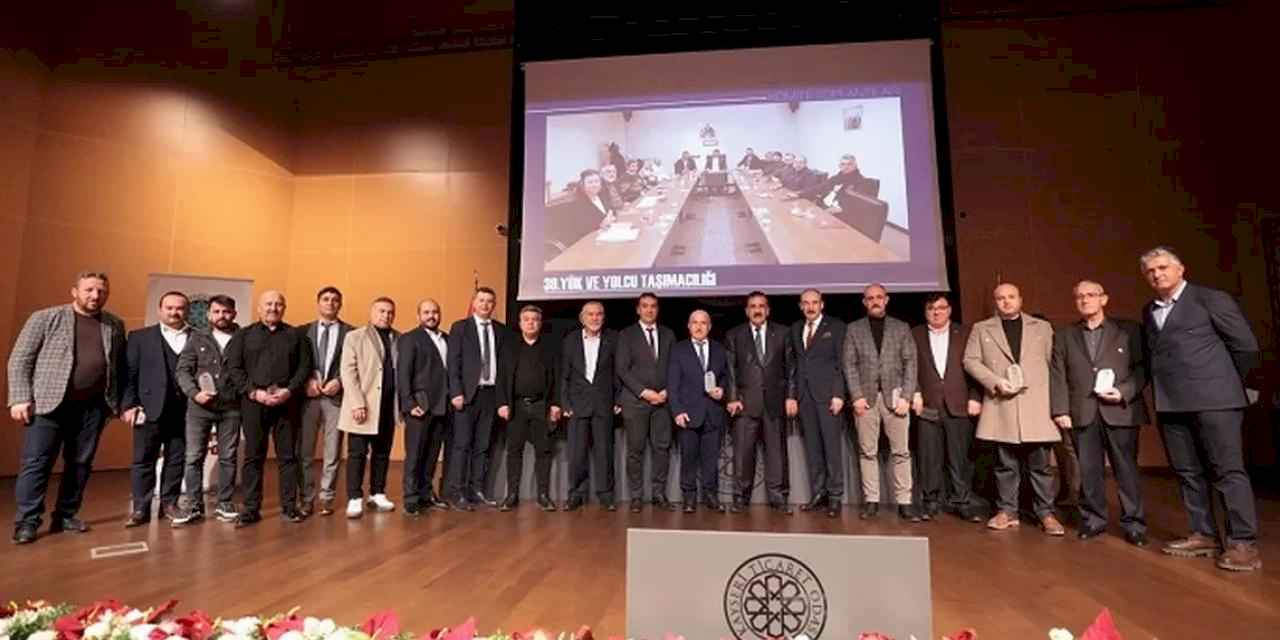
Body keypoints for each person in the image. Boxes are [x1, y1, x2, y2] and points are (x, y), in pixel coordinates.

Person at [1140, 246, 1262, 571]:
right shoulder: (1149, 310)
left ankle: (1242, 543)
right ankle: (1203, 534)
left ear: (1181, 269)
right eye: (1151, 271)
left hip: (1216, 401)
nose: (1157, 274)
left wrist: (1237, 386)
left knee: (1228, 470)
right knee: (1188, 472)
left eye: (1163, 267)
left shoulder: (1211, 299)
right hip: (1172, 404)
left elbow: (1246, 346)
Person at [9, 272, 127, 545]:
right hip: (48, 404)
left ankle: (65, 514)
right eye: (89, 290)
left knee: (80, 464)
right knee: (36, 463)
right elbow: (20, 359)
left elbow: (118, 368)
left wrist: (117, 404)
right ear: (74, 291)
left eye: (101, 291)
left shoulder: (114, 324)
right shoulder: (45, 317)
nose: (95, 296)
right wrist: (19, 397)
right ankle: (27, 521)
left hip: (92, 408)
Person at [1050, 280, 1149, 546]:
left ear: (1104, 299)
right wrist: (1060, 409)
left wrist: (1125, 391)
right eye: (1079, 296)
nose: (1085, 300)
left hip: (1120, 410)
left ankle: (1135, 524)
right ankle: (1093, 520)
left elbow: (1142, 370)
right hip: (1082, 411)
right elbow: (1058, 375)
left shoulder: (1128, 330)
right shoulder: (1064, 335)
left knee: (1126, 469)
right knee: (1089, 471)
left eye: (1091, 295)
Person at [963, 283, 1064, 535]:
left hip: (1036, 405)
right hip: (1002, 403)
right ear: (995, 302)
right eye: (1000, 298)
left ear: (1020, 299)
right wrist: (994, 381)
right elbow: (970, 360)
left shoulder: (1042, 327)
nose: (1006, 302)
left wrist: (1059, 406)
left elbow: (1056, 366)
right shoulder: (981, 328)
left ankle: (1046, 513)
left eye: (1010, 297)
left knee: (1041, 465)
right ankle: (1006, 511)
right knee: (1005, 464)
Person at [224, 290, 312, 527]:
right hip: (254, 402)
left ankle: (289, 507)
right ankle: (251, 509)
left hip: (287, 402)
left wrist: (289, 390)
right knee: (253, 456)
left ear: (284, 308)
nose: (273, 308)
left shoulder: (296, 335)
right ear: (259, 308)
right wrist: (255, 392)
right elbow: (234, 368)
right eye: (268, 304)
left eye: (278, 304)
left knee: (288, 457)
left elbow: (304, 367)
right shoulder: (243, 335)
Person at [844, 284, 920, 522]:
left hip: (896, 399)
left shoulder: (901, 328)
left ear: (886, 300)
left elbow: (911, 365)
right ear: (864, 302)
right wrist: (856, 396)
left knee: (901, 452)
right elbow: (850, 365)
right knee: (868, 452)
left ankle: (904, 502)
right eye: (870, 298)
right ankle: (871, 501)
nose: (875, 301)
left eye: (879, 297)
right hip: (865, 400)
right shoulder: (854, 329)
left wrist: (907, 397)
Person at [910, 294, 983, 523]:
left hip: (959, 404)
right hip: (928, 405)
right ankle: (930, 502)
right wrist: (915, 392)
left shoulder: (966, 333)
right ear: (925, 312)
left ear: (949, 310)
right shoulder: (915, 334)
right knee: (929, 458)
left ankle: (961, 501)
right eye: (931, 308)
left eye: (941, 308)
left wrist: (974, 396)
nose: (936, 312)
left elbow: (976, 366)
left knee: (959, 458)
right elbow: (909, 368)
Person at [121, 292, 192, 527]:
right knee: (143, 460)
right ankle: (141, 507)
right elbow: (129, 376)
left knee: (176, 459)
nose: (174, 312)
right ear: (160, 309)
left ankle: (169, 504)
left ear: (187, 310)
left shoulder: (198, 338)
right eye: (169, 308)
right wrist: (129, 405)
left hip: (185, 411)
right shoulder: (139, 337)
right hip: (148, 409)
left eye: (179, 308)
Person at [171, 294, 242, 525]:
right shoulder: (195, 338)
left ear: (234, 314)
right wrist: (195, 393)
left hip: (231, 408)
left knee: (228, 457)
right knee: (193, 457)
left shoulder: (243, 338)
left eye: (226, 312)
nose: (222, 316)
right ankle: (194, 506)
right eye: (217, 312)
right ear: (209, 314)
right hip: (199, 408)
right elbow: (182, 370)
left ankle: (224, 503)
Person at [725, 292, 794, 514]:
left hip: (775, 402)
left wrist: (791, 396)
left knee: (776, 453)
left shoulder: (783, 333)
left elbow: (791, 368)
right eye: (753, 306)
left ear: (768, 310)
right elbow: (731, 370)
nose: (757, 310)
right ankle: (740, 497)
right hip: (746, 404)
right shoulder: (734, 334)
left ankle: (779, 498)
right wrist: (733, 397)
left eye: (761, 306)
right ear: (747, 311)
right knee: (744, 454)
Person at [446, 286, 508, 511]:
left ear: (494, 305)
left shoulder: (501, 331)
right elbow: (453, 363)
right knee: (462, 445)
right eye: (481, 300)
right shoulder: (460, 328)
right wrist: (455, 392)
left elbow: (504, 367)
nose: (485, 304)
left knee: (483, 446)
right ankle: (457, 491)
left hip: (490, 396)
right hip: (466, 395)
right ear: (473, 302)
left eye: (490, 301)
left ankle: (476, 489)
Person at [338, 297, 401, 519]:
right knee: (357, 453)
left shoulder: (398, 338)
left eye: (390, 312)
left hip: (387, 405)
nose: (386, 315)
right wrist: (357, 403)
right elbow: (348, 371)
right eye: (382, 311)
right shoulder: (354, 337)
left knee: (382, 453)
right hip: (363, 406)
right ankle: (354, 497)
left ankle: (377, 493)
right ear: (372, 312)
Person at [616, 292, 678, 513]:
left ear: (657, 309)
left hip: (663, 401)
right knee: (635, 450)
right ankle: (636, 496)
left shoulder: (668, 334)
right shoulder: (626, 335)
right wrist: (644, 392)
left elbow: (674, 366)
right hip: (636, 402)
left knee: (662, 449)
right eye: (645, 306)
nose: (649, 310)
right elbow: (622, 369)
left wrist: (667, 390)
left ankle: (659, 494)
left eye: (653, 306)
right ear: (638, 309)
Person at [496, 305, 562, 512]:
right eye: (527, 319)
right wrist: (502, 403)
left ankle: (543, 495)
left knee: (543, 451)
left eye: (535, 319)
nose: (531, 323)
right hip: (516, 406)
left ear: (540, 323)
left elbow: (558, 379)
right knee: (514, 451)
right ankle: (512, 494)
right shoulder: (509, 348)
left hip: (541, 406)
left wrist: (555, 404)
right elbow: (501, 378)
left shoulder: (550, 348)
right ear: (520, 323)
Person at [790, 288, 847, 518]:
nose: (810, 307)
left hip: (828, 397)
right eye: (806, 303)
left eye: (814, 302)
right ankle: (818, 494)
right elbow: (794, 365)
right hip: (805, 398)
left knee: (832, 449)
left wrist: (839, 393)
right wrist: (792, 395)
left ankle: (835, 496)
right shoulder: (796, 329)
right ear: (801, 306)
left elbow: (842, 363)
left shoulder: (836, 327)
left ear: (822, 304)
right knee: (813, 449)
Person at [297, 286, 352, 517]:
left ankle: (327, 497)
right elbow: (295, 364)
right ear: (318, 302)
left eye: (335, 300)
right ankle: (307, 498)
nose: (330, 303)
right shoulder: (301, 332)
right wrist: (305, 381)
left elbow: (354, 364)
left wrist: (340, 381)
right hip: (308, 398)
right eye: (326, 299)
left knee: (332, 452)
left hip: (335, 398)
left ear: (340, 305)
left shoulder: (351, 333)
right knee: (305, 451)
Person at [561, 301, 620, 512]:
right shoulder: (570, 341)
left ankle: (606, 495)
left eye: (599, 314)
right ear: (582, 318)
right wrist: (565, 402)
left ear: (603, 318)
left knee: (604, 452)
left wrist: (619, 400)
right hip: (577, 405)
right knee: (577, 454)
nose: (595, 318)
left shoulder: (613, 340)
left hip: (604, 404)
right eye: (590, 315)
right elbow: (564, 375)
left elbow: (618, 373)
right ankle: (576, 494)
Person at [669, 310, 729, 513]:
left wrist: (723, 391)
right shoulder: (678, 350)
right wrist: (677, 411)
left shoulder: (720, 349)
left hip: (713, 413)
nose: (699, 326)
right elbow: (672, 383)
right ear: (688, 326)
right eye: (695, 322)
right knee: (689, 458)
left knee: (711, 458)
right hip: (688, 414)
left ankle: (711, 495)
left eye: (703, 323)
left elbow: (726, 378)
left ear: (710, 326)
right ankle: (689, 497)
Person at [396, 298, 452, 516]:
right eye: (426, 312)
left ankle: (426, 495)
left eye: (435, 312)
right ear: (418, 316)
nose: (431, 316)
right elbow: (404, 373)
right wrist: (408, 403)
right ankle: (410, 498)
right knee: (415, 455)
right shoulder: (410, 339)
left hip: (441, 406)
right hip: (419, 406)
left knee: (431, 455)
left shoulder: (446, 338)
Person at [554, 169, 616, 248]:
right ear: (583, 184)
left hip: (607, 237)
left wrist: (612, 216)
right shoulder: (577, 203)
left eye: (597, 181)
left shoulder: (602, 196)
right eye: (590, 182)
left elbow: (612, 211)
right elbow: (580, 229)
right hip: (587, 244)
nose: (594, 185)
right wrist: (600, 225)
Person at [791, 154, 877, 210]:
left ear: (855, 165)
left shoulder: (862, 181)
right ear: (839, 166)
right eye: (843, 164)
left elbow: (857, 204)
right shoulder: (836, 178)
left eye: (849, 164)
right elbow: (820, 187)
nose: (846, 167)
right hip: (825, 209)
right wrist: (799, 194)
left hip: (842, 214)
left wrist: (838, 208)